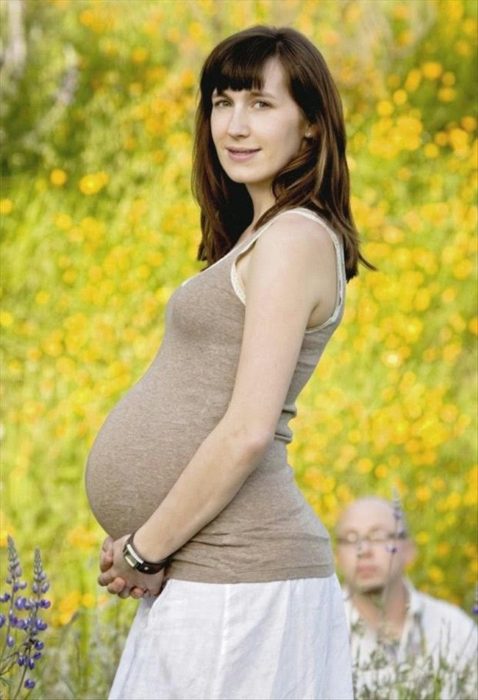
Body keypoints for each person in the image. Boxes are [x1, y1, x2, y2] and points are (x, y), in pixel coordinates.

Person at [85, 25, 370, 700]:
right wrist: (149, 545)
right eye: (222, 101)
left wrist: (143, 547)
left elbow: (246, 430)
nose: (235, 125)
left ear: (309, 127)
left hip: (241, 582)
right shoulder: (261, 234)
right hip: (210, 577)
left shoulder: (295, 238)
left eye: (260, 104)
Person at [335, 496, 478, 700]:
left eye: (377, 536)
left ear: (408, 549)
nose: (363, 550)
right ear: (337, 555)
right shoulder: (320, 633)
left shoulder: (456, 630)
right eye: (350, 538)